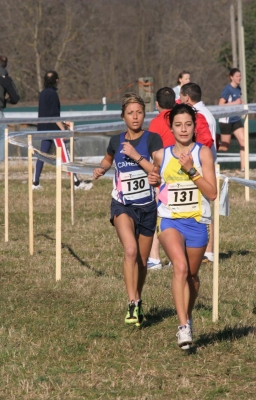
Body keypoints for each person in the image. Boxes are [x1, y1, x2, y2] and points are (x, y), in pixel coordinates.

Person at [148, 104, 217, 349]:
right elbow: (155, 177)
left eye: (188, 124)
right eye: (178, 125)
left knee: (192, 276)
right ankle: (183, 327)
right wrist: (154, 179)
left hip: (197, 223)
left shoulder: (203, 153)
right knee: (179, 267)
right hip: (169, 221)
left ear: (194, 125)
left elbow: (212, 193)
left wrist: (191, 170)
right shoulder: (162, 154)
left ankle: (188, 316)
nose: (183, 129)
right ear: (171, 127)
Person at [93, 93, 163, 327]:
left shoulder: (153, 139)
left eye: (139, 112)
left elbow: (156, 170)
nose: (135, 116)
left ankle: (139, 298)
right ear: (123, 116)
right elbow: (107, 159)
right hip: (122, 205)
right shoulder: (116, 140)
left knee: (142, 261)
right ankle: (131, 302)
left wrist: (136, 156)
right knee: (130, 251)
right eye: (131, 113)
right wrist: (101, 169)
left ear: (144, 114)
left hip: (147, 207)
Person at [33, 70, 92, 190]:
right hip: (54, 131)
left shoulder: (42, 93)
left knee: (41, 156)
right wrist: (63, 129)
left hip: (43, 129)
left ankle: (35, 183)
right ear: (56, 81)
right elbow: (54, 115)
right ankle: (76, 183)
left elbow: (47, 114)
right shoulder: (53, 94)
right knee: (65, 155)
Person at [180, 82, 217, 263]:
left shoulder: (198, 115)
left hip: (201, 167)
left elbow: (206, 142)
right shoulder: (205, 112)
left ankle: (207, 251)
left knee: (204, 209)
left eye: (180, 97)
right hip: (203, 165)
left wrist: (193, 162)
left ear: (187, 97)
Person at [147, 87, 176, 270]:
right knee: (179, 215)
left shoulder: (155, 124)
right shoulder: (182, 119)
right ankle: (176, 256)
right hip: (183, 171)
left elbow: (152, 151)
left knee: (158, 215)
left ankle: (155, 259)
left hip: (163, 174)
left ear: (156, 104)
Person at [218, 68, 245, 171]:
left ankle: (244, 167)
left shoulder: (238, 88)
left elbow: (238, 101)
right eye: (237, 76)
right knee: (225, 147)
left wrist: (243, 105)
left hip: (236, 119)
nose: (239, 78)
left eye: (240, 76)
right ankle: (210, 149)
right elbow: (220, 105)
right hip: (226, 120)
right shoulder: (227, 89)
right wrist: (235, 104)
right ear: (231, 77)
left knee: (243, 141)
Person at [0, 55, 20, 161]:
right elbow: (15, 97)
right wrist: (5, 100)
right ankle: (1, 164)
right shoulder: (4, 77)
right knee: (2, 136)